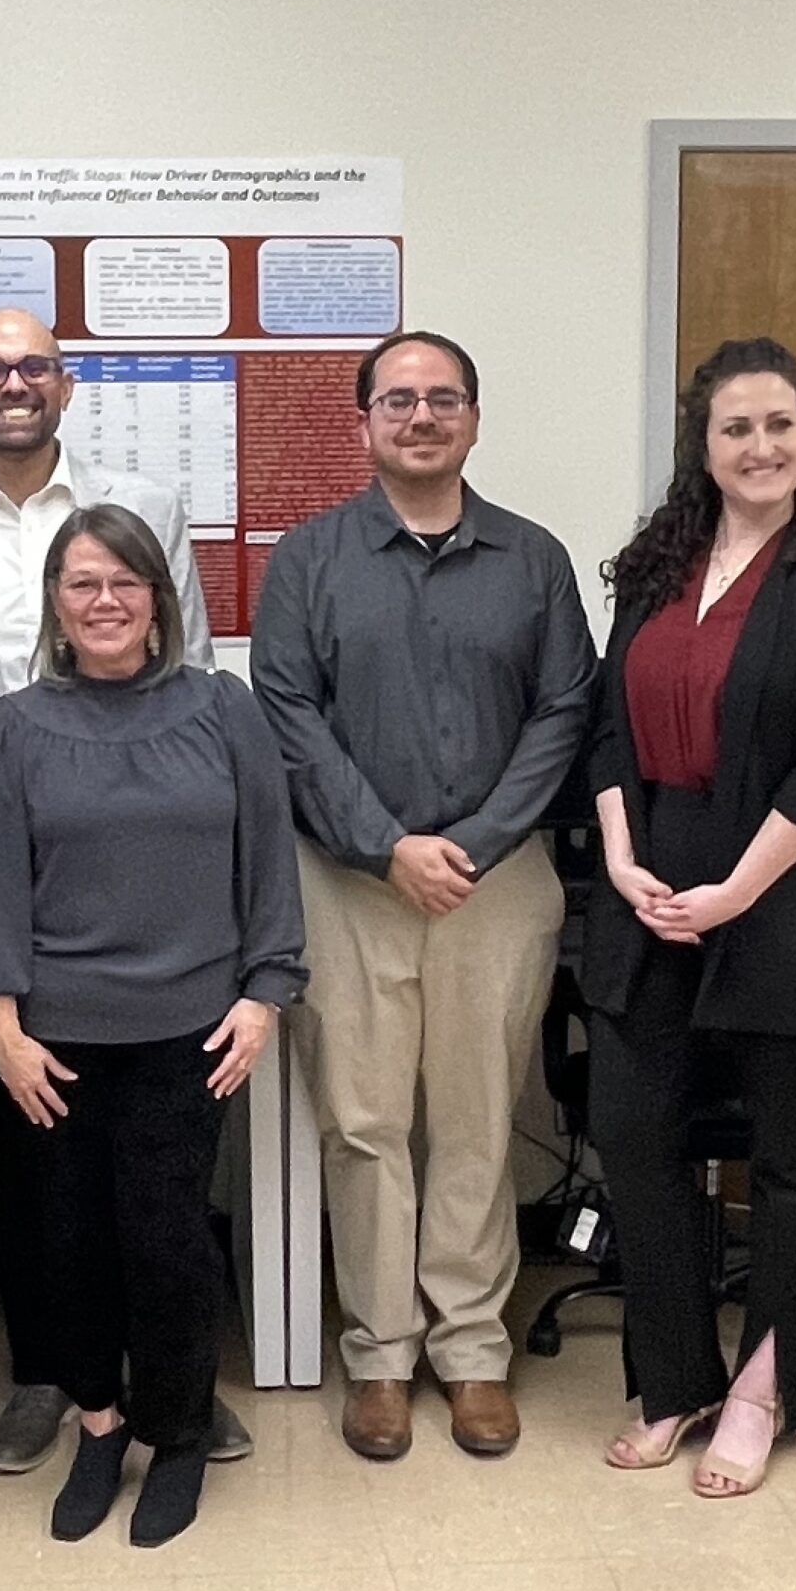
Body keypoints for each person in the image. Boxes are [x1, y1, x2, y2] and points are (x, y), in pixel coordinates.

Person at [0, 305, 249, 1475]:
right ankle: (51, 1376)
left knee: (157, 1167)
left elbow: (185, 667)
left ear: (66, 385)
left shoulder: (142, 506)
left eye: (32, 365)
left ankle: (168, 1381)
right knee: (25, 1156)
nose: (11, 383)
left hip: (135, 873)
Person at [249, 328, 594, 1462]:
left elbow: (564, 715)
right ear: (363, 426)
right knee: (362, 1122)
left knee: (478, 1117)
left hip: (495, 885)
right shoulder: (306, 560)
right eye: (397, 400)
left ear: (474, 421)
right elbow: (287, 715)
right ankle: (382, 1358)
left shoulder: (533, 560)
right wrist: (387, 843)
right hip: (347, 884)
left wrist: (480, 841)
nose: (421, 416)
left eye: (443, 398)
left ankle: (473, 1350)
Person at [0, 505, 304, 1547]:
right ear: (55, 604)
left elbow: (266, 859)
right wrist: (1, 1028)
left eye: (124, 582)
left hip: (191, 1029)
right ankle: (98, 1423)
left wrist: (263, 993)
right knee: (70, 1244)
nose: (104, 601)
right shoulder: (12, 725)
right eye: (81, 582)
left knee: (169, 1239)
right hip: (52, 1040)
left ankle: (177, 1434)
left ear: (158, 600)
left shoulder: (222, 709)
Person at [584, 339, 796, 1498]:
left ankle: (765, 1388)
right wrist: (620, 861)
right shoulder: (654, 566)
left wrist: (734, 892)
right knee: (634, 1136)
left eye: (780, 425)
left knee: (792, 1158)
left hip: (778, 892)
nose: (761, 447)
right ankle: (672, 1380)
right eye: (735, 429)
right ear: (700, 449)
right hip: (647, 883)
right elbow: (604, 730)